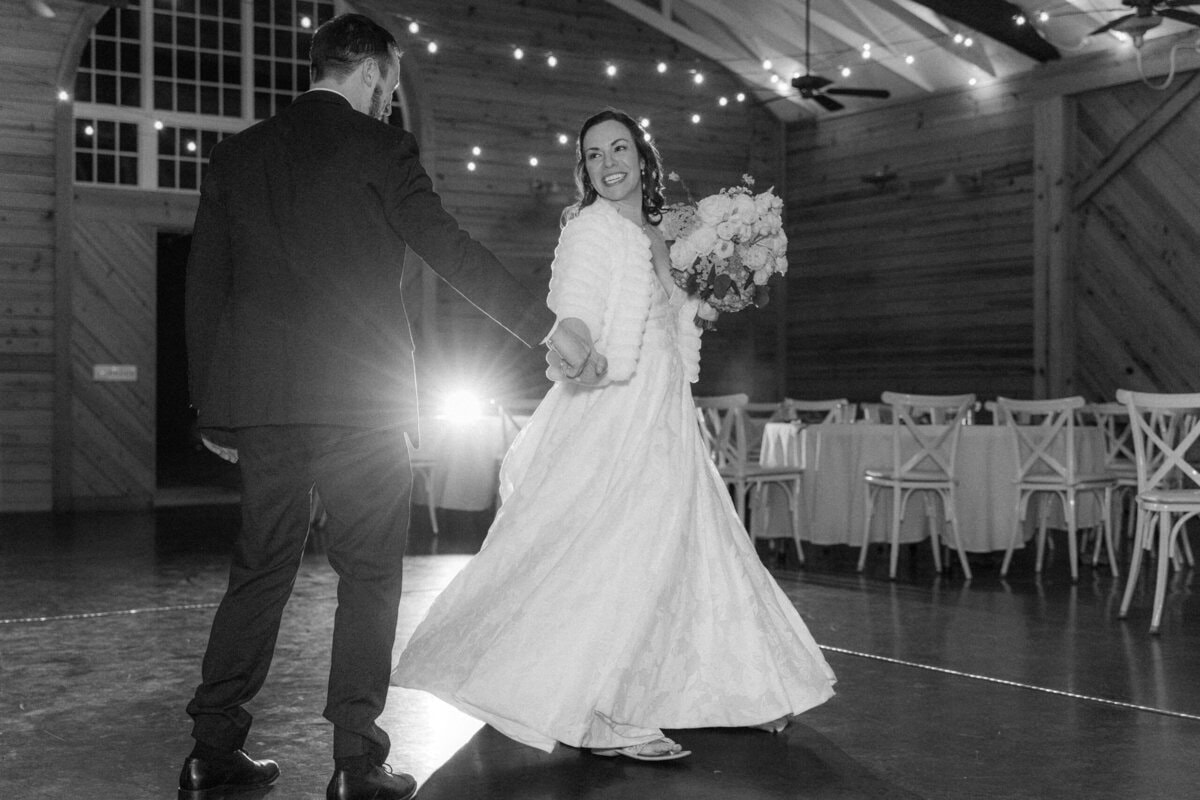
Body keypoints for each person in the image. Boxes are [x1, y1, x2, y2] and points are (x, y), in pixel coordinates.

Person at [179, 14, 601, 800]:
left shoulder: (240, 154)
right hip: (361, 406)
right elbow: (451, 250)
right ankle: (356, 764)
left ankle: (210, 749)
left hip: (267, 407)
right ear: (373, 71)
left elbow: (206, 283)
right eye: (392, 82)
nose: (391, 98)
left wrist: (215, 411)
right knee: (368, 578)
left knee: (259, 571)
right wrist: (547, 328)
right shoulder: (381, 149)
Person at [391, 108, 836, 762]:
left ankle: (741, 691)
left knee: (692, 543)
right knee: (620, 546)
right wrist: (576, 349)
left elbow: (674, 313)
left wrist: (720, 289)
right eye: (595, 154)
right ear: (585, 168)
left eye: (619, 148)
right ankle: (603, 709)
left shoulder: (661, 229)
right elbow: (572, 305)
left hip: (664, 406)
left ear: (642, 157)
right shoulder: (590, 229)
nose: (609, 162)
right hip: (613, 404)